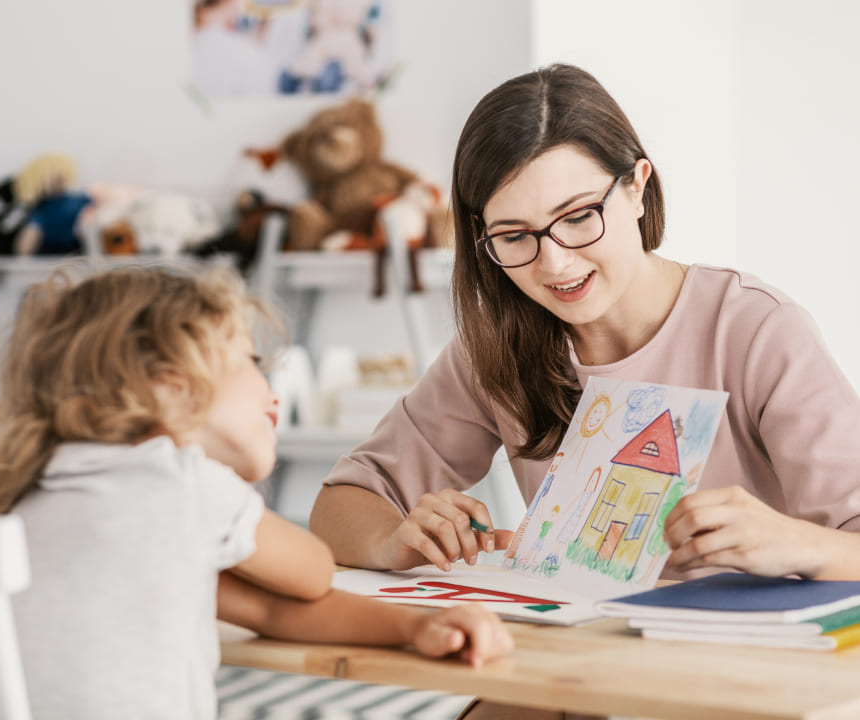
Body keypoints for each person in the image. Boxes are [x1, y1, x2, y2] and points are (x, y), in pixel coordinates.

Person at [310, 63, 860, 588]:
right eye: (515, 235)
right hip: (577, 662)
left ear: (637, 186)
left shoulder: (756, 330)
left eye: (577, 218)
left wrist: (795, 542)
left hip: (745, 667)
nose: (555, 264)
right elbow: (342, 505)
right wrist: (393, 539)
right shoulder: (498, 348)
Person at [0, 264, 512, 720]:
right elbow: (311, 573)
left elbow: (265, 610)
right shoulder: (184, 483)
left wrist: (417, 626)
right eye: (251, 362)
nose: (270, 388)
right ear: (169, 386)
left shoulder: (38, 492)